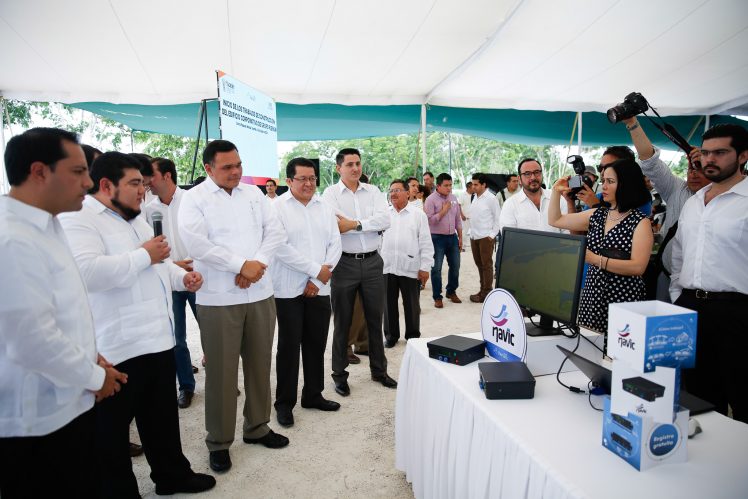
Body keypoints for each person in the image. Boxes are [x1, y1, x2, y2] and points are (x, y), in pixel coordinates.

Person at [59, 151, 215, 497]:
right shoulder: (80, 218)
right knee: (111, 432)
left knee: (160, 419)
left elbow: (160, 262)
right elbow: (87, 273)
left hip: (156, 339)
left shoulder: (136, 218)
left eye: (143, 184)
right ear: (105, 185)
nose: (142, 191)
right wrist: (145, 255)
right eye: (134, 184)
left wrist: (182, 278)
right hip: (116, 346)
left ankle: (172, 475)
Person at [0, 128, 127, 498]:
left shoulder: (47, 224)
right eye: (77, 172)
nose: (88, 183)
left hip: (67, 398)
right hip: (37, 419)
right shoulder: (13, 239)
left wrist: (90, 354)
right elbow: (30, 341)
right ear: (39, 171)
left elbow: (59, 309)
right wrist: (93, 374)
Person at [179, 140, 288, 473]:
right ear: (208, 168)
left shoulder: (254, 194)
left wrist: (256, 265)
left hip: (259, 293)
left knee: (258, 365)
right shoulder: (193, 200)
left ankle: (257, 427)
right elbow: (197, 244)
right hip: (219, 298)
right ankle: (219, 441)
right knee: (223, 375)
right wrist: (241, 265)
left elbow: (276, 232)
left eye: (238, 164)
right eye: (227, 167)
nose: (235, 172)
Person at [669, 123, 748, 423]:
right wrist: (679, 296)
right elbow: (679, 254)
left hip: (737, 312)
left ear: (743, 156)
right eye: (705, 153)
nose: (709, 160)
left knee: (741, 397)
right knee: (698, 399)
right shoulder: (693, 202)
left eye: (720, 152)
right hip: (691, 308)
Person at [548, 158, 653, 348]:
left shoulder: (640, 222)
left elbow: (638, 267)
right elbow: (555, 220)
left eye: (610, 182)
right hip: (592, 296)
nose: (603, 186)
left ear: (626, 184)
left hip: (622, 299)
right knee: (590, 351)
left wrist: (594, 259)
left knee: (617, 355)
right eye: (603, 180)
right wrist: (556, 192)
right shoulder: (597, 215)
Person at [271, 157, 342, 427]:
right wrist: (315, 270)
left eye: (312, 178)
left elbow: (335, 243)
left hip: (319, 289)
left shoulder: (324, 207)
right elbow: (280, 247)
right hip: (288, 289)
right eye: (302, 179)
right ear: (289, 181)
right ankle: (284, 403)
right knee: (288, 348)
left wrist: (319, 279)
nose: (309, 183)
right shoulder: (276, 208)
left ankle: (313, 394)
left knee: (315, 344)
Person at [321, 147, 396, 397]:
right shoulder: (329, 194)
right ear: (338, 168)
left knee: (375, 319)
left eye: (358, 163)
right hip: (344, 264)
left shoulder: (373, 191)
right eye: (349, 164)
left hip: (374, 262)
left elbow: (385, 220)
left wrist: (354, 224)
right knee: (342, 322)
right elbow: (333, 225)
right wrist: (366, 224)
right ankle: (339, 375)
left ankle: (379, 371)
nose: (355, 168)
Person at [621, 116, 711, 302]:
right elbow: (650, 162)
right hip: (668, 277)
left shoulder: (728, 198)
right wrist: (632, 123)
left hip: (707, 290)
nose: (693, 173)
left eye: (700, 167)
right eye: (690, 168)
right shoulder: (677, 189)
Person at [146, 157, 199, 409]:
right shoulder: (148, 208)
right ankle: (186, 386)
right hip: (168, 280)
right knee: (177, 339)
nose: (148, 182)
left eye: (151, 176)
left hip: (197, 277)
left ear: (167, 176)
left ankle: (223, 381)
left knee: (212, 333)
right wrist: (172, 267)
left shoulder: (192, 200)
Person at [382, 180, 434, 347]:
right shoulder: (384, 214)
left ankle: (412, 335)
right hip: (387, 266)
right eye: (391, 191)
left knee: (411, 304)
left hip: (410, 267)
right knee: (388, 304)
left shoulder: (418, 215)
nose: (393, 194)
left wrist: (425, 267)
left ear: (407, 193)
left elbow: (426, 242)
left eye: (397, 190)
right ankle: (391, 335)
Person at [500, 158, 571, 233]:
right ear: (519, 179)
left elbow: (567, 230)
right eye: (527, 174)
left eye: (537, 172)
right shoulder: (510, 204)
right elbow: (509, 238)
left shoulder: (558, 198)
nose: (533, 177)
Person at [424, 173, 463, 308]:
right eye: (446, 185)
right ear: (438, 186)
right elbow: (428, 221)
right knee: (436, 269)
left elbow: (458, 219)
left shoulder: (453, 198)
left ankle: (451, 291)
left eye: (451, 185)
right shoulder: (430, 200)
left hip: (452, 237)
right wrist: (443, 212)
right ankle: (437, 297)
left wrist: (460, 237)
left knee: (456, 266)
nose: (449, 188)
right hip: (436, 238)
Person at [468, 173, 501, 303]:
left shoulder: (491, 199)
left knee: (486, 265)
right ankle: (482, 290)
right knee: (479, 264)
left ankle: (487, 292)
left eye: (476, 184)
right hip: (474, 236)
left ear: (483, 185)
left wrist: (491, 235)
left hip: (485, 237)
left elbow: (498, 218)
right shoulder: (474, 197)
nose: (473, 187)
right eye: (472, 184)